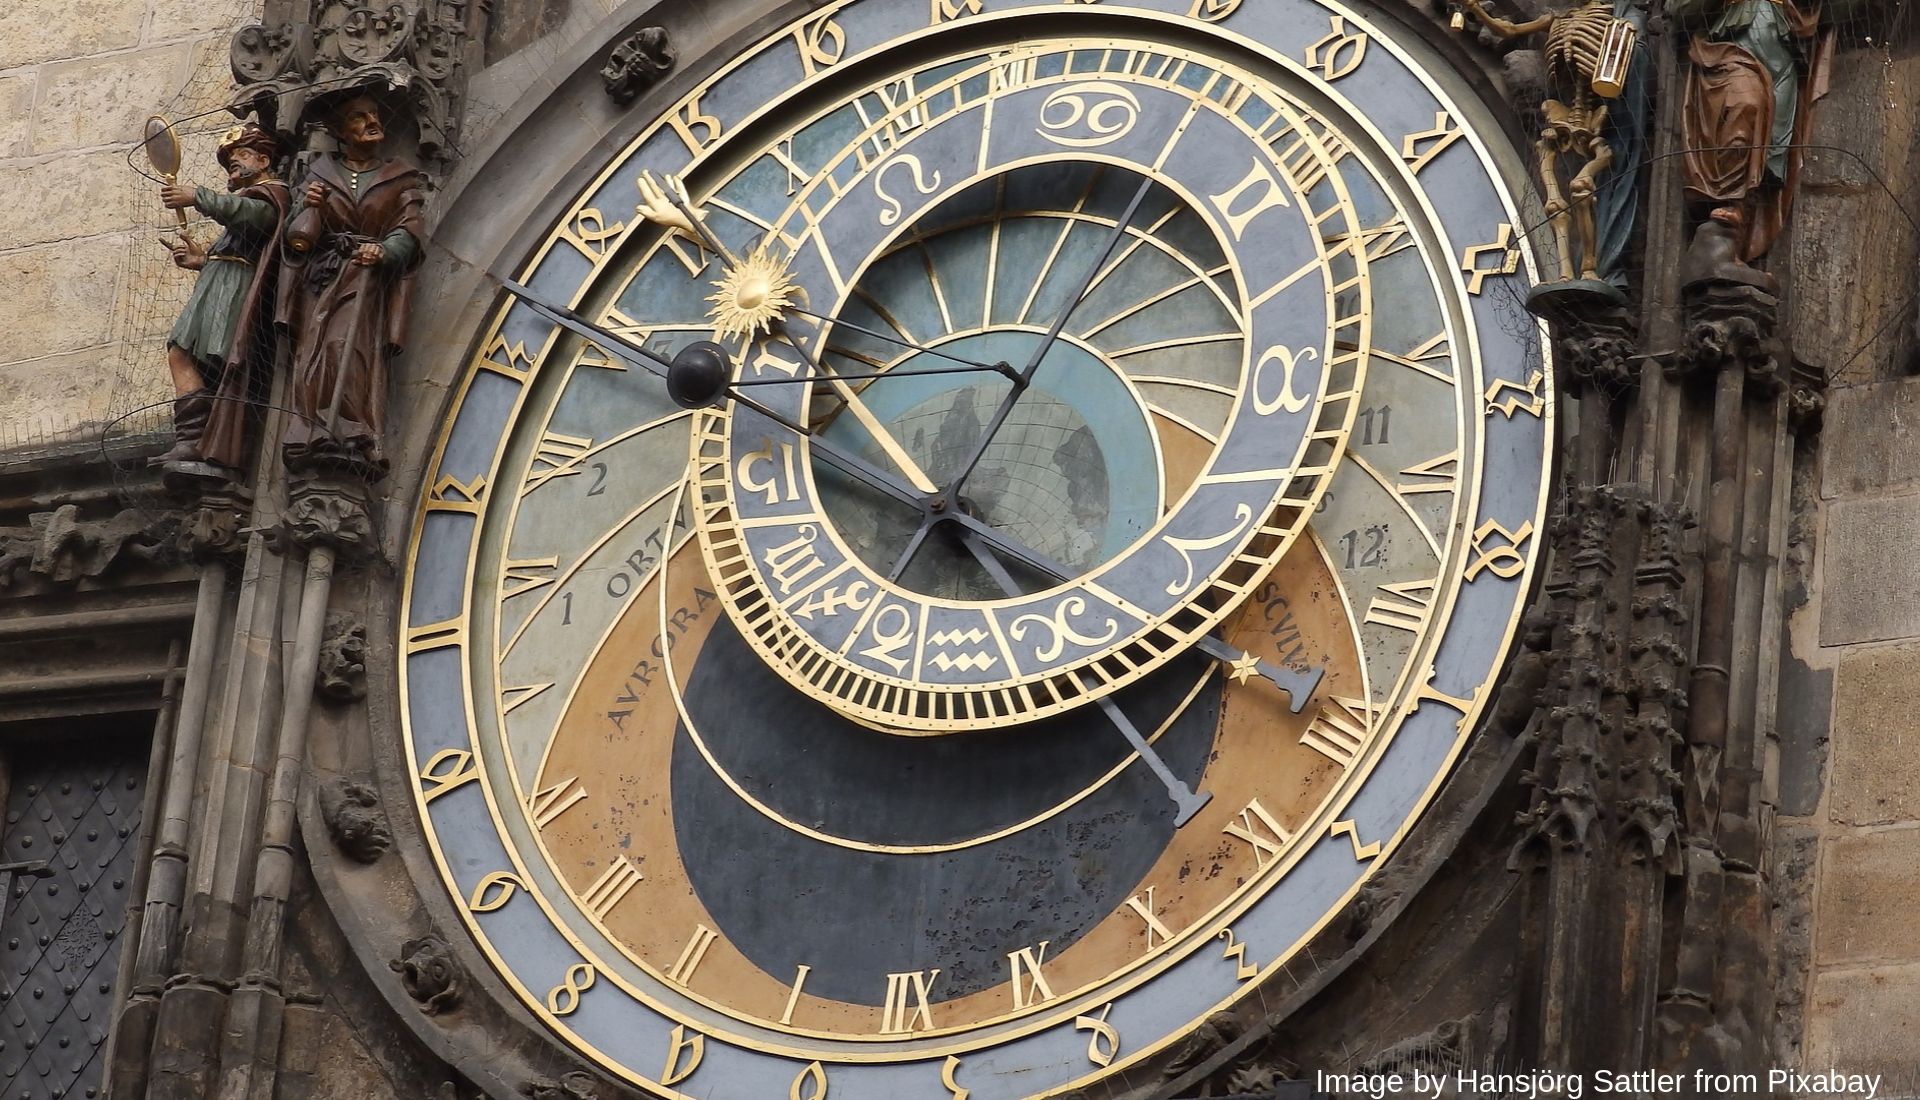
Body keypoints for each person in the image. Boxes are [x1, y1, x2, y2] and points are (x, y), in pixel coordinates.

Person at [276, 91, 428, 475]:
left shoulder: (399, 177)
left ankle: (351, 427)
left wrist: (384, 251)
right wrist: (310, 206)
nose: (373, 122)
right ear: (340, 132)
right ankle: (312, 427)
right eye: (360, 117)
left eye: (375, 114)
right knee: (312, 352)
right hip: (322, 276)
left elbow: (409, 229)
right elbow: (298, 239)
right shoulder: (319, 174)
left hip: (365, 275)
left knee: (346, 345)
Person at [156, 123, 289, 469]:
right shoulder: (245, 198)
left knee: (189, 356)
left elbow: (256, 219)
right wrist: (202, 260)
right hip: (219, 286)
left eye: (241, 154)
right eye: (230, 158)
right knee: (181, 354)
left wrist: (197, 196)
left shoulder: (272, 193)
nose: (234, 162)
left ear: (263, 159)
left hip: (233, 294)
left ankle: (197, 440)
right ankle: (193, 439)